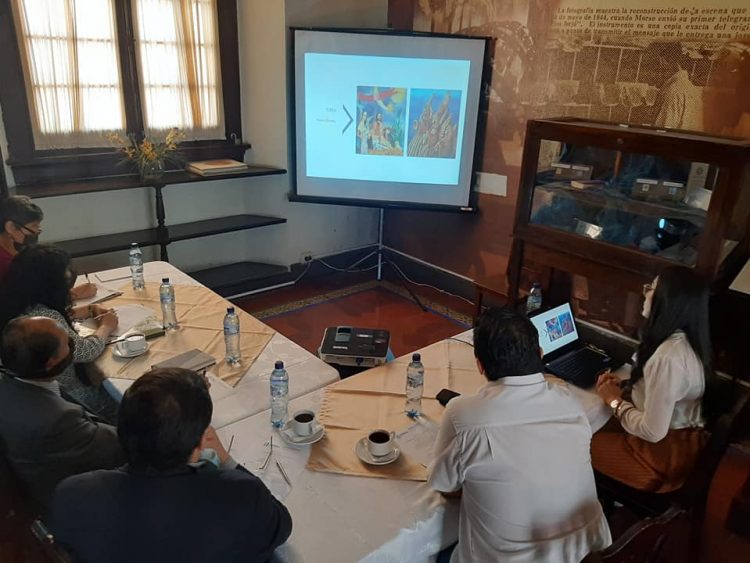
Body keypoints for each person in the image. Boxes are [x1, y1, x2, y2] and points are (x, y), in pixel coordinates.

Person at [50, 367, 293, 563]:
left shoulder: (71, 493)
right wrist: (227, 461)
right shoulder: (241, 494)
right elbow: (281, 526)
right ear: (200, 443)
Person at [429, 307, 611, 563]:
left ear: (480, 365)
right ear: (540, 354)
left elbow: (443, 485)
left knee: (431, 548)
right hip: (587, 553)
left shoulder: (463, 414)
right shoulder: (571, 402)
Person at [592, 266, 711, 492]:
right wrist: (626, 386)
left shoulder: (668, 358)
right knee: (590, 423)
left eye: (651, 288)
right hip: (679, 442)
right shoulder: (681, 340)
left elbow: (653, 432)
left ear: (669, 302)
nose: (644, 293)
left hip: (661, 460)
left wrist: (614, 401)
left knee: (575, 443)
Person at [0, 316, 124, 509]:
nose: (72, 342)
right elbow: (123, 446)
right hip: (87, 499)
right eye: (67, 342)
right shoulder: (57, 420)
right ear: (51, 363)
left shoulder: (11, 384)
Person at [0, 244, 120, 422]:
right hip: (71, 397)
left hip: (31, 395)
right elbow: (86, 351)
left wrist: (81, 311)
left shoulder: (15, 302)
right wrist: (106, 326)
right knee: (121, 395)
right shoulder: (47, 316)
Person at [0, 195, 96, 298]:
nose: (37, 231)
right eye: (34, 226)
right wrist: (72, 295)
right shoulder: (4, 263)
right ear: (11, 227)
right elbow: (21, 300)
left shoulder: (15, 247)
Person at [652, 42, 703, 130]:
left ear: (674, 64)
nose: (659, 73)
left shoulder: (673, 91)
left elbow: (664, 129)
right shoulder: (692, 89)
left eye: (663, 67)